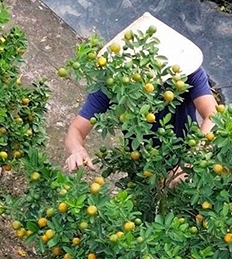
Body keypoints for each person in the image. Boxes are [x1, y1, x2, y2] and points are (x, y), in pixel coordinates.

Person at [64, 12, 218, 173]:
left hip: (185, 152)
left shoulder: (187, 71)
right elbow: (76, 130)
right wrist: (77, 150)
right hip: (142, 162)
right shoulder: (114, 83)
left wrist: (189, 163)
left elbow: (213, 115)